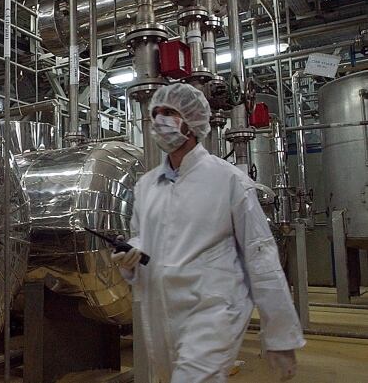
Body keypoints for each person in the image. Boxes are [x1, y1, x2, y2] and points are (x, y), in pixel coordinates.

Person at [111, 83, 305, 383]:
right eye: (156, 113)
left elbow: (261, 255)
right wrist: (131, 254)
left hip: (213, 309)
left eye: (170, 113)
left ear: (192, 121)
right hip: (161, 312)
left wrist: (280, 336)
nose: (160, 120)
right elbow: (141, 238)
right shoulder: (146, 186)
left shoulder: (228, 181)